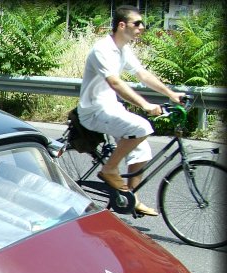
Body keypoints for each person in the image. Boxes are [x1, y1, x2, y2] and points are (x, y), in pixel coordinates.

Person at [77, 5, 186, 216]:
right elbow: (116, 83)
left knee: (142, 150)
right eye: (137, 23)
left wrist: (171, 94)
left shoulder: (123, 50)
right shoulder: (102, 49)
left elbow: (143, 75)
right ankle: (110, 169)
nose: (142, 27)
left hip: (111, 108)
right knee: (142, 126)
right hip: (93, 111)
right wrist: (145, 105)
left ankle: (128, 198)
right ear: (121, 25)